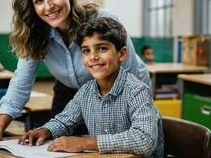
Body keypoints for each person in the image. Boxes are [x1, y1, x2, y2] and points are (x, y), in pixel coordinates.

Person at [0, 0, 150, 145]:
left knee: (113, 139)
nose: (48, 6)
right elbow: (21, 83)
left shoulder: (103, 22)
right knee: (56, 139)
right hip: (72, 88)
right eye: (38, 1)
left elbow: (127, 76)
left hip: (121, 85)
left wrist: (91, 142)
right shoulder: (35, 34)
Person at [19, 17, 164, 157]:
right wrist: (45, 130)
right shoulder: (86, 91)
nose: (93, 57)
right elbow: (64, 120)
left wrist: (85, 143)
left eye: (101, 48)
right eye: (86, 51)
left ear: (122, 53)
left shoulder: (137, 90)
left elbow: (144, 139)